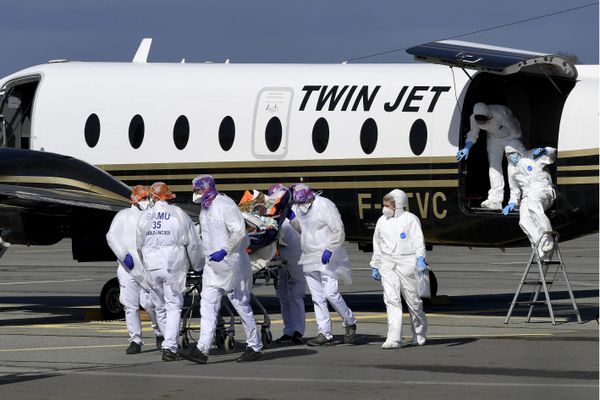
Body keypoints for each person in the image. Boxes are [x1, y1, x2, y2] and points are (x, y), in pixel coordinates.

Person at [181, 175, 263, 364]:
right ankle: (202, 349)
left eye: (197, 190)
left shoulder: (225, 205)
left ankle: (254, 346)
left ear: (206, 188)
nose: (195, 194)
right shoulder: (205, 208)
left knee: (240, 304)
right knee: (207, 306)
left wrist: (225, 250)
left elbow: (239, 231)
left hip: (230, 264)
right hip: (212, 265)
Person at [136, 182, 204, 361]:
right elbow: (193, 244)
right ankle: (170, 347)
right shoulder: (178, 214)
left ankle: (168, 343)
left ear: (153, 197)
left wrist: (145, 265)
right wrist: (198, 266)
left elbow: (138, 246)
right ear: (168, 196)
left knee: (160, 307)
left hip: (152, 267)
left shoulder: (145, 216)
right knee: (173, 306)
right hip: (173, 265)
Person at [290, 183, 357, 346]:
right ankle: (324, 333)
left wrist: (330, 248)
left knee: (330, 293)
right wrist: (293, 220)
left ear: (310, 196)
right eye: (298, 204)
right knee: (317, 297)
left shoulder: (325, 205)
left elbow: (338, 229)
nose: (301, 206)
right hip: (308, 255)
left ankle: (349, 320)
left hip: (327, 255)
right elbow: (303, 229)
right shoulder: (298, 207)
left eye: (303, 202)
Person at [106, 185, 162, 354]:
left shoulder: (154, 215)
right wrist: (124, 256)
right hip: (127, 268)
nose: (147, 201)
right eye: (144, 198)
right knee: (130, 305)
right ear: (135, 200)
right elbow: (111, 237)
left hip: (147, 267)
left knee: (151, 303)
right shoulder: (123, 216)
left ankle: (159, 333)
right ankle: (135, 340)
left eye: (148, 198)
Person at [370, 189, 428, 349]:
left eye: (388, 205)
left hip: (407, 262)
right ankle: (394, 338)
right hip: (388, 264)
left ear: (398, 205)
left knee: (413, 302)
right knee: (391, 299)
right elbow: (378, 244)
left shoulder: (410, 220)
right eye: (384, 205)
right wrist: (375, 264)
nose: (384, 208)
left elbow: (418, 241)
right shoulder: (382, 221)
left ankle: (419, 333)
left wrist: (420, 258)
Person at [457, 102, 526, 210]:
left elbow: (515, 130)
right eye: (478, 119)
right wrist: (467, 148)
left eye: (483, 119)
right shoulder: (473, 118)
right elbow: (473, 134)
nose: (480, 122)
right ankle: (495, 199)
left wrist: (516, 146)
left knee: (514, 166)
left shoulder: (501, 114)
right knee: (494, 166)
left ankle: (515, 199)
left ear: (489, 116)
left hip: (512, 137)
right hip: (493, 139)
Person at [502, 146, 557, 260]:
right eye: (508, 154)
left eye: (513, 153)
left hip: (542, 188)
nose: (510, 156)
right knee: (524, 220)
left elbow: (552, 154)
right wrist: (512, 202)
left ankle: (548, 237)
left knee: (533, 206)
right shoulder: (512, 170)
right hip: (527, 195)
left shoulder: (532, 158)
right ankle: (540, 247)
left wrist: (545, 150)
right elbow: (515, 190)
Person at [268, 184, 305, 345]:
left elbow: (303, 231)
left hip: (295, 259)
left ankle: (298, 331)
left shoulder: (295, 212)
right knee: (283, 297)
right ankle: (288, 330)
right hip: (279, 260)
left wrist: (290, 216)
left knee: (295, 296)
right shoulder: (274, 213)